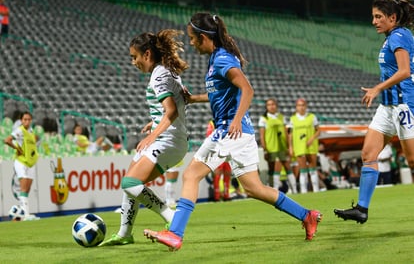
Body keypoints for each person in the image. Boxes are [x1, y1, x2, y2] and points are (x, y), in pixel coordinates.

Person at [143, 12, 322, 251]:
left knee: (190, 175)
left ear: (205, 37)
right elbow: (222, 93)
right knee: (254, 188)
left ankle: (175, 234)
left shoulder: (222, 59)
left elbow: (247, 89)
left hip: (230, 130)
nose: (192, 43)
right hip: (241, 133)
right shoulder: (217, 58)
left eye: (193, 39)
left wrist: (236, 120)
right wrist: (195, 99)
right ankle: (306, 215)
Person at [99, 29, 189, 246]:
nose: (133, 62)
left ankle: (171, 216)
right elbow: (180, 101)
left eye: (134, 57)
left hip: (168, 140)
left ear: (147, 54)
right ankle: (124, 234)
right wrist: (155, 123)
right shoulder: (167, 71)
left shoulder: (158, 75)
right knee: (131, 180)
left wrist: (153, 134)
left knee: (129, 182)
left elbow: (172, 110)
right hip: (171, 137)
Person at [334, 0, 414, 224]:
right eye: (373, 16)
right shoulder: (391, 37)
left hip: (404, 105)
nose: (374, 21)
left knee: (412, 162)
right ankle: (361, 209)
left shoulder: (400, 36)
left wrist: (377, 88)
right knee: (368, 154)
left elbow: (404, 71)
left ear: (392, 18)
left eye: (378, 17)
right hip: (387, 107)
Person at [4, 111, 40, 221]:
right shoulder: (20, 130)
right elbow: (7, 140)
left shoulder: (31, 131)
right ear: (21, 120)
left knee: (27, 189)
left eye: (29, 119)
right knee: (23, 187)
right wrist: (17, 148)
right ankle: (26, 215)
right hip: (21, 162)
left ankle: (23, 213)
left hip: (30, 162)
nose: (27, 121)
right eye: (25, 119)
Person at [258, 98, 297, 193]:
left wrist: (289, 147)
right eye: (269, 105)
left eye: (273, 104)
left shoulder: (281, 117)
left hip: (282, 147)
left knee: (288, 168)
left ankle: (295, 190)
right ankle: (274, 192)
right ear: (266, 107)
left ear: (276, 105)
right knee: (273, 170)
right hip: (271, 148)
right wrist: (265, 149)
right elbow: (262, 136)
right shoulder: (264, 119)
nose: (271, 106)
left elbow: (286, 133)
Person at [288, 98, 321, 193]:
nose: (301, 107)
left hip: (311, 146)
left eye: (303, 105)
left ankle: (316, 189)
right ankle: (303, 190)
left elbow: (318, 130)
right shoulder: (293, 119)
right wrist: (290, 146)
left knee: (313, 168)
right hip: (299, 147)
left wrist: (312, 138)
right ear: (296, 107)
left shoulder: (312, 117)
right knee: (302, 170)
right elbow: (290, 134)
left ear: (306, 106)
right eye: (299, 105)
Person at [206, 119, 232, 201]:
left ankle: (226, 195)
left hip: (227, 152)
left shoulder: (229, 121)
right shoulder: (212, 123)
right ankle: (217, 196)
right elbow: (210, 137)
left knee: (227, 174)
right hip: (217, 153)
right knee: (217, 174)